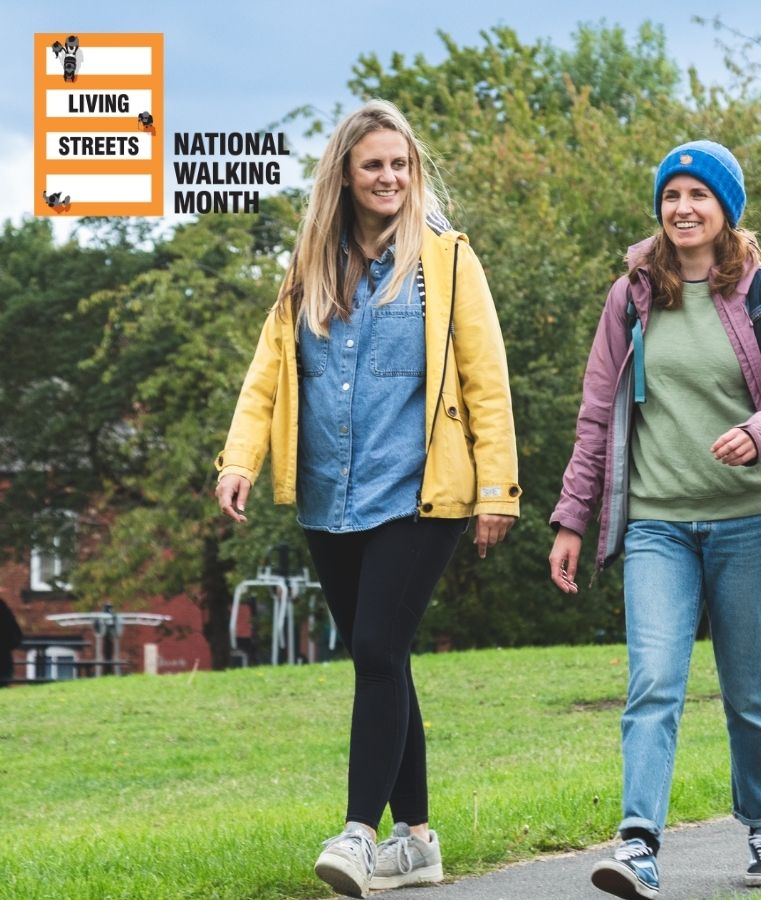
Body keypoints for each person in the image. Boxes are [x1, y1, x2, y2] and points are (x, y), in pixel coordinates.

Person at [214, 100, 519, 898]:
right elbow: (267, 375)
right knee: (381, 655)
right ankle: (417, 840)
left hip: (422, 494)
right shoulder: (310, 264)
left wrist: (498, 490)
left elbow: (487, 384)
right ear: (344, 177)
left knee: (378, 651)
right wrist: (238, 459)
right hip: (328, 492)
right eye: (373, 166)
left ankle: (358, 835)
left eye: (400, 165)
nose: (390, 178)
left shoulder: (449, 262)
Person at [548, 140, 761, 898]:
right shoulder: (631, 297)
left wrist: (759, 433)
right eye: (672, 195)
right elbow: (596, 415)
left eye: (700, 195)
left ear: (726, 209)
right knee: (654, 681)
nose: (683, 208)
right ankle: (638, 843)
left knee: (750, 690)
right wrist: (573, 517)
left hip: (751, 521)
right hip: (657, 525)